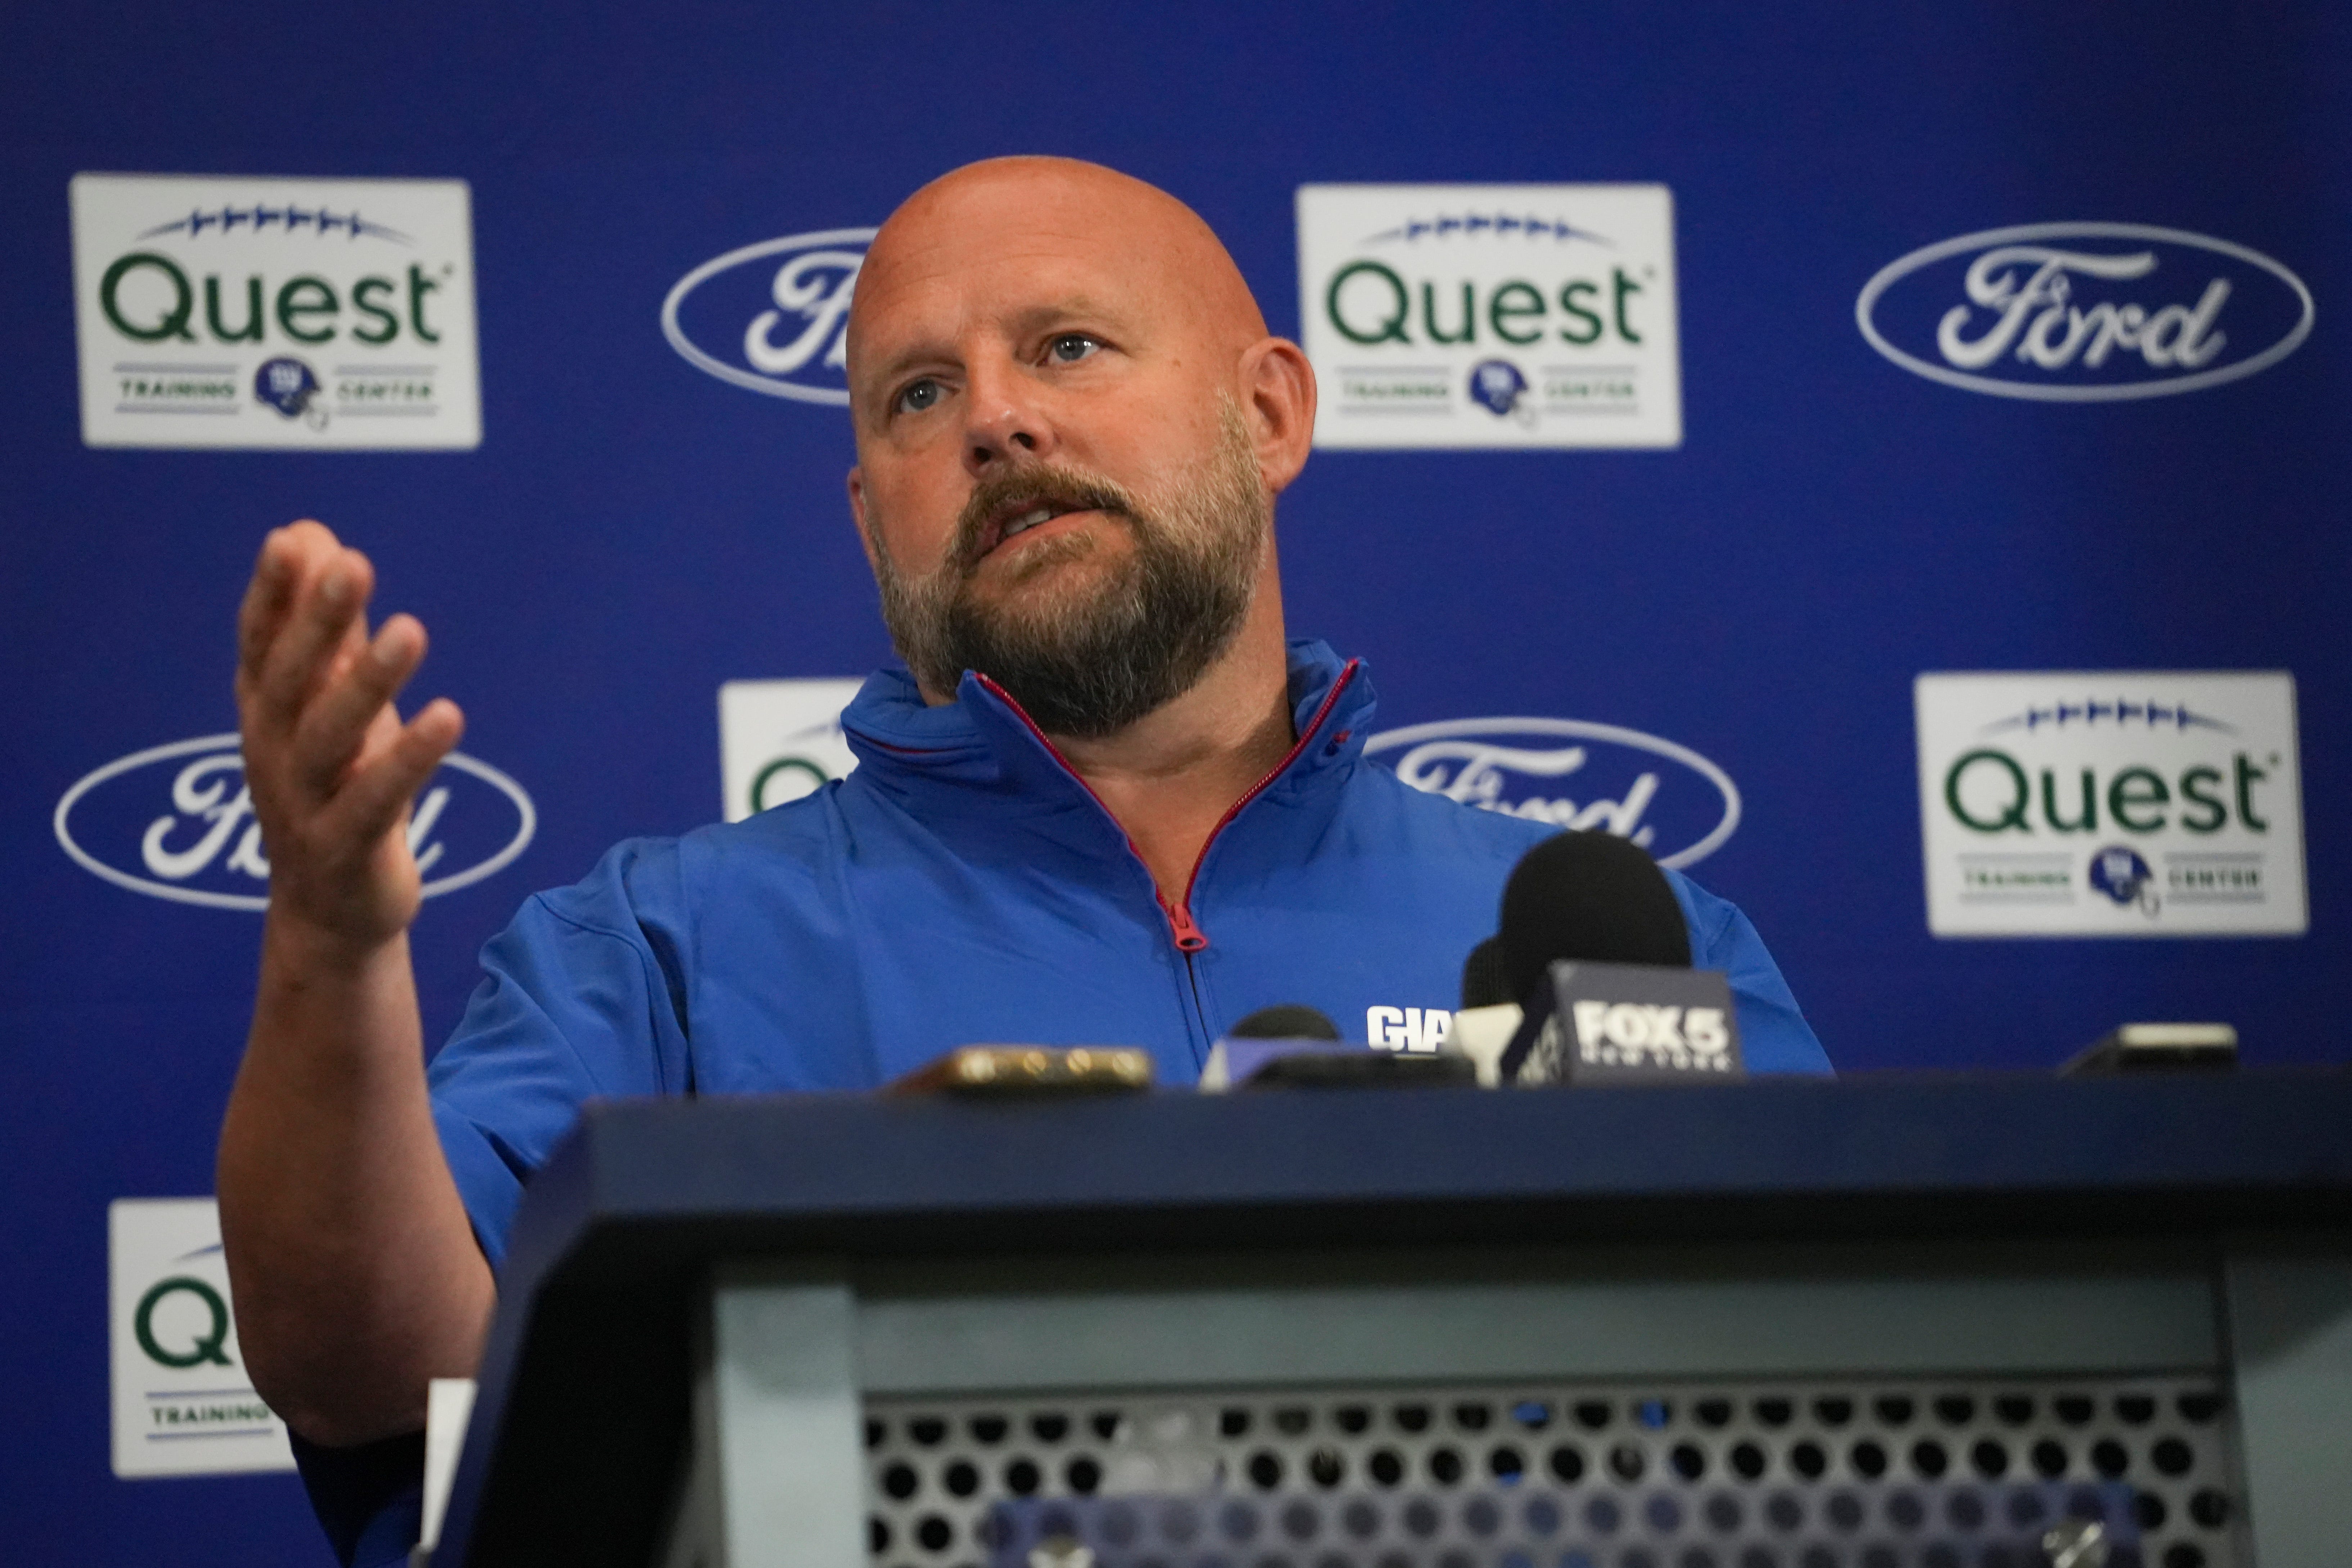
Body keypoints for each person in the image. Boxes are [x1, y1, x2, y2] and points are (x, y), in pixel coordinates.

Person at [218, 157, 1829, 1465]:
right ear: (872, 520)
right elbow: (366, 1372)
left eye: (1064, 348)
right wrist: (328, 949)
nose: (992, 420)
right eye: (917, 395)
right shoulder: (654, 950)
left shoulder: (1608, 935)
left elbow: (1857, 1384)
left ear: (1267, 414)